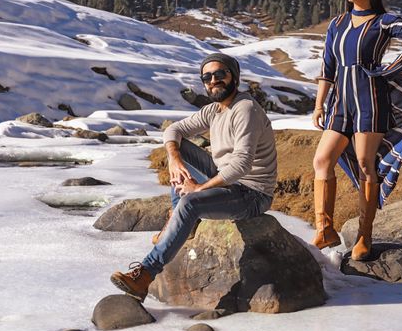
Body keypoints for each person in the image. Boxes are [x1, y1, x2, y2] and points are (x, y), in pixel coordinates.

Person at [110, 52, 277, 301]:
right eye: (207, 77)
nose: (213, 80)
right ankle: (181, 223)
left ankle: (145, 275)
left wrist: (199, 189)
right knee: (180, 150)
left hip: (252, 193)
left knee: (190, 202)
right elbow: (174, 130)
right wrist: (175, 160)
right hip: (226, 178)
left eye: (220, 74)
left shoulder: (245, 109)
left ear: (234, 77)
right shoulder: (214, 110)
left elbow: (241, 165)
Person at [311, 0, 402, 261]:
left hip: (370, 98)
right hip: (340, 102)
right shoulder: (337, 23)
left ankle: (364, 236)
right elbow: (327, 67)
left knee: (367, 164)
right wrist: (319, 104)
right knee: (322, 159)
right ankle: (325, 229)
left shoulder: (382, 21)